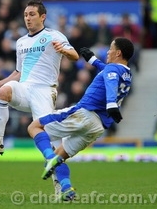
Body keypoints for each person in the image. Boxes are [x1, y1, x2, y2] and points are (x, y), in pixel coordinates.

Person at [28, 37, 134, 201]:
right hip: (97, 127)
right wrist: (92, 59)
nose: (108, 51)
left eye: (110, 48)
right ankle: (66, 189)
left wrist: (111, 104)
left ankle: (50, 159)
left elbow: (110, 80)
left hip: (84, 113)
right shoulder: (126, 73)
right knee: (60, 155)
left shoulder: (112, 70)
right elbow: (108, 72)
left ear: (118, 52)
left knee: (34, 127)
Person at [0, 0, 79, 155]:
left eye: (32, 14)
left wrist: (64, 51)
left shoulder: (54, 35)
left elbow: (75, 56)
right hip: (24, 88)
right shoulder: (21, 42)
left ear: (42, 17)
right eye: (25, 15)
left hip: (44, 91)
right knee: (4, 91)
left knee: (46, 136)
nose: (28, 18)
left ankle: (57, 174)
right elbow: (18, 72)